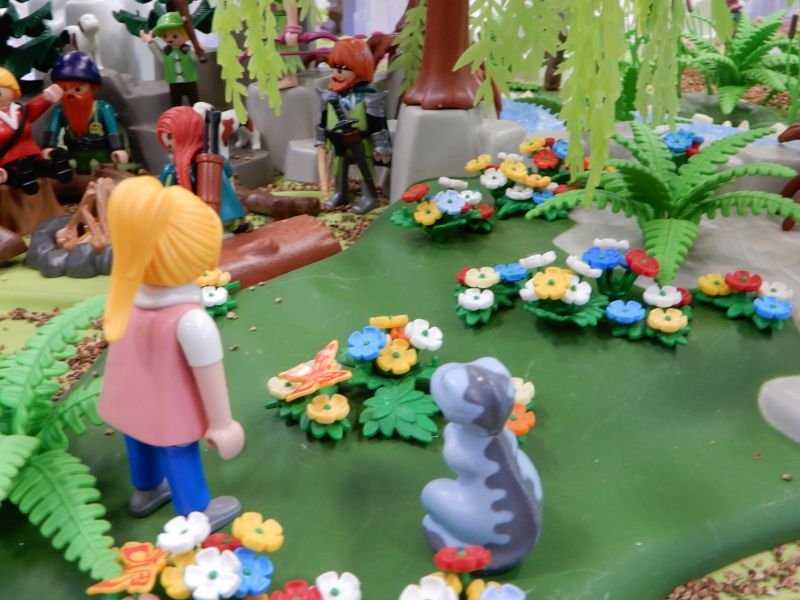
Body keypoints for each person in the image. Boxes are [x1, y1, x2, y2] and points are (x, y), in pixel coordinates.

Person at [100, 175, 245, 528]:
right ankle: (196, 511)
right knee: (179, 452)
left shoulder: (126, 300)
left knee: (138, 440)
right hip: (169, 408)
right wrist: (223, 425)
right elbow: (209, 376)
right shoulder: (191, 321)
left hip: (129, 403)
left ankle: (147, 489)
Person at [315, 37, 391, 214]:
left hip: (360, 140)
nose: (337, 72)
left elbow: (377, 123)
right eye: (334, 67)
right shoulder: (329, 95)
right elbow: (323, 118)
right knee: (338, 167)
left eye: (343, 68)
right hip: (336, 140)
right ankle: (340, 193)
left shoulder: (369, 96)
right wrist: (320, 139)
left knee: (364, 167)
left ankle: (369, 196)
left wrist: (381, 146)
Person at [156, 106, 247, 229]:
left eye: (170, 138)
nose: (169, 147)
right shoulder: (172, 171)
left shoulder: (212, 162)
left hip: (216, 219)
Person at [43, 51, 129, 175]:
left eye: (77, 89)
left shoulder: (103, 108)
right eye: (64, 89)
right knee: (75, 173)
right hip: (74, 153)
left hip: (101, 153)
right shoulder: (60, 110)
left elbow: (113, 130)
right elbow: (52, 131)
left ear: (92, 88)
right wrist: (49, 147)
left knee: (104, 173)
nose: (70, 95)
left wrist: (118, 149)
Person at [0, 68, 72, 195]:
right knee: (15, 172)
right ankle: (24, 179)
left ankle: (57, 166)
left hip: (31, 152)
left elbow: (33, 108)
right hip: (7, 159)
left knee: (39, 165)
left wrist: (47, 97)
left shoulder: (20, 110)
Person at [139, 11, 199, 107]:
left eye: (174, 36)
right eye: (165, 36)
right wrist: (151, 43)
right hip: (174, 83)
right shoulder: (167, 52)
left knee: (195, 103)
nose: (169, 39)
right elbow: (161, 59)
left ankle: (198, 114)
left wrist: (196, 52)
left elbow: (194, 59)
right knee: (175, 104)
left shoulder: (187, 50)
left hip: (190, 81)